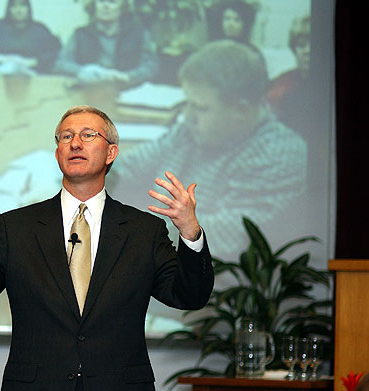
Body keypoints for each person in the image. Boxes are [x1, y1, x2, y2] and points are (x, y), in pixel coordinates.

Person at [0, 105, 213, 390]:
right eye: (66, 137)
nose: (75, 143)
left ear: (111, 153)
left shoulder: (143, 230)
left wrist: (190, 232)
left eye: (88, 135)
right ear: (57, 153)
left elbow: (189, 296)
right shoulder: (17, 227)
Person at [108, 40, 307, 259]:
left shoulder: (279, 155)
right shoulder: (191, 130)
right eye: (189, 103)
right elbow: (131, 165)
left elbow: (223, 238)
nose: (188, 116)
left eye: (201, 107)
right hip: (152, 262)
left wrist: (128, 229)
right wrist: (95, 176)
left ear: (241, 110)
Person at [54, 0, 158, 88]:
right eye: (101, 1)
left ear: (122, 7)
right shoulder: (80, 34)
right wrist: (83, 71)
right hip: (90, 92)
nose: (106, 6)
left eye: (112, 2)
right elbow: (61, 64)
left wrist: (127, 77)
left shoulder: (138, 33)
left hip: (127, 90)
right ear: (94, 5)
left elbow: (151, 67)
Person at [0, 0, 61, 75]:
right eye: (14, 6)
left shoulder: (40, 30)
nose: (18, 10)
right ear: (8, 9)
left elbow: (55, 54)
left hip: (33, 77)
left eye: (22, 5)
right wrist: (1, 58)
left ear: (29, 8)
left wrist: (32, 62)